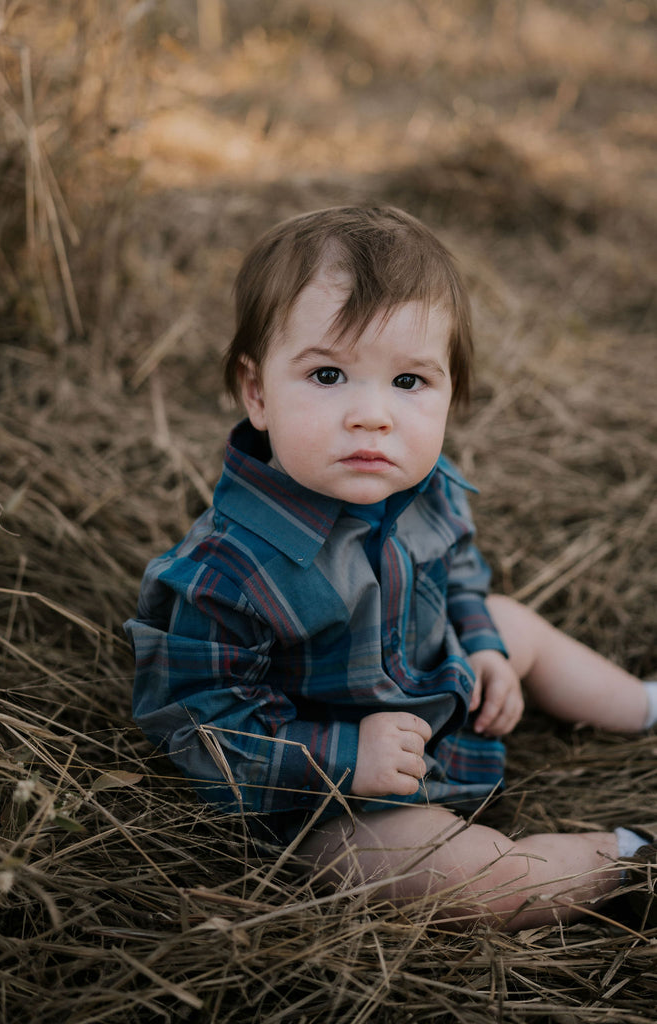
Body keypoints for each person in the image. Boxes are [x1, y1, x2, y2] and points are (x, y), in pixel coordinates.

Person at [125, 205, 656, 931]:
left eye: (408, 382)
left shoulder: (423, 484)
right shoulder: (230, 567)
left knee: (507, 618)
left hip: (434, 688)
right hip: (328, 802)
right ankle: (626, 860)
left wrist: (483, 646)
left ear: (449, 392)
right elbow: (200, 724)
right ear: (257, 392)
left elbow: (461, 573)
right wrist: (346, 757)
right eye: (328, 374)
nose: (372, 414)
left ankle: (640, 705)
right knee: (464, 881)